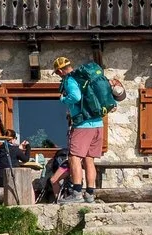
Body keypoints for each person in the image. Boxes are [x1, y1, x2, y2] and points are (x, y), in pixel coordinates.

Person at [51, 55, 121, 200]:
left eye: (57, 72)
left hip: (83, 125)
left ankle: (76, 193)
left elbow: (76, 97)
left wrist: (64, 99)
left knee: (74, 157)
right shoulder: (85, 77)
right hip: (98, 124)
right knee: (89, 159)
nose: (58, 75)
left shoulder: (71, 79)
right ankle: (90, 194)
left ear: (61, 70)